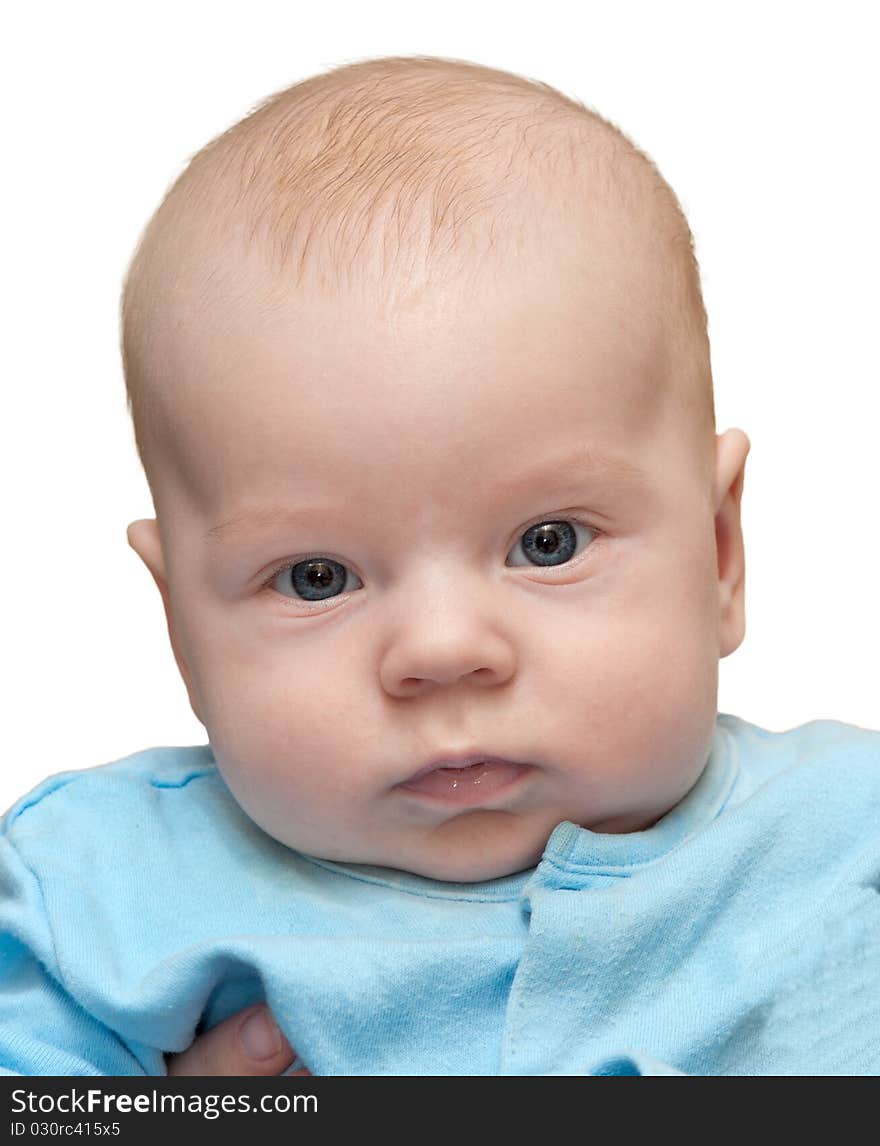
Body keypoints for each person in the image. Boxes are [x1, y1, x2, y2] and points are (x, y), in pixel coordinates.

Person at [2, 54, 878, 1078]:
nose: (443, 651)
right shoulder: (96, 895)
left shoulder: (846, 840)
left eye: (545, 543)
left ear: (719, 554)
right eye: (315, 577)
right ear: (180, 629)